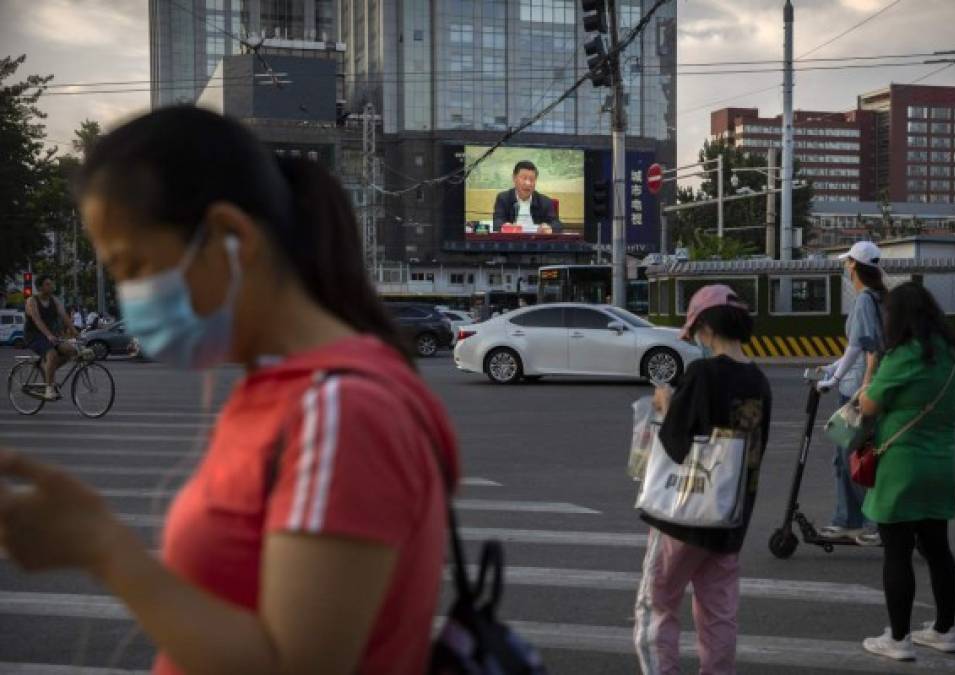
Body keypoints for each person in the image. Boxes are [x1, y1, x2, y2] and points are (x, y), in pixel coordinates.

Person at [0, 106, 460, 675]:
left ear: (229, 237)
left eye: (133, 266)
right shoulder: (283, 388)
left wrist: (102, 547)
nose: (129, 295)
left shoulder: (341, 410)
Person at [635, 284, 772, 675]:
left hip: (682, 514)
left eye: (696, 329)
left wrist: (665, 404)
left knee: (657, 604)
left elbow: (676, 445)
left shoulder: (702, 373)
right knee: (718, 612)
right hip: (729, 515)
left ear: (707, 328)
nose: (695, 337)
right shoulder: (757, 379)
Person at [857, 282, 955, 662]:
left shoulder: (904, 355)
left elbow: (868, 405)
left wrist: (870, 373)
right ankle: (945, 630)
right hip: (941, 463)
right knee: (938, 550)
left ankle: (899, 639)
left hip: (902, 465)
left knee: (898, 552)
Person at [817, 240, 887, 546]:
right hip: (865, 387)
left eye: (848, 262)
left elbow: (861, 345)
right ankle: (851, 519)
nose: (846, 267)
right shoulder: (880, 298)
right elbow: (855, 349)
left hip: (859, 392)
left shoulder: (863, 301)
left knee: (853, 457)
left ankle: (863, 522)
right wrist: (831, 368)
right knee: (851, 456)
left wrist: (835, 379)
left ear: (855, 266)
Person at [23, 275, 79, 400]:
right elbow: (37, 320)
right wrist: (48, 335)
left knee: (71, 351)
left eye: (51, 283)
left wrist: (75, 331)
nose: (51, 286)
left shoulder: (54, 300)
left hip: (50, 335)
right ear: (40, 287)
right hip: (34, 336)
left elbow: (64, 316)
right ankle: (49, 389)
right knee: (52, 354)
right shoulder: (32, 301)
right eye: (48, 284)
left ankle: (47, 368)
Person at [492, 160, 562, 234]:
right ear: (514, 178)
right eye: (524, 178)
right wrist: (505, 226)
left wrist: (548, 228)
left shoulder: (545, 201)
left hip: (536, 242)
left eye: (532, 179)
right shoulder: (503, 198)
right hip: (512, 241)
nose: (528, 183)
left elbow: (557, 225)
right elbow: (497, 222)